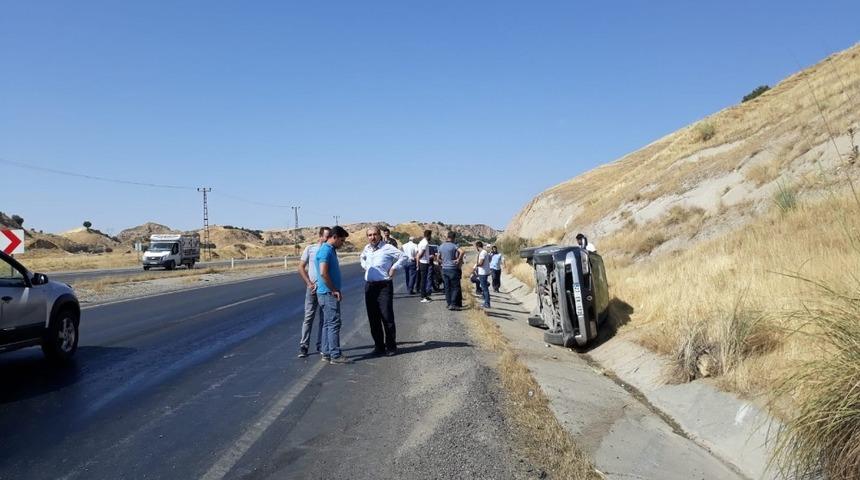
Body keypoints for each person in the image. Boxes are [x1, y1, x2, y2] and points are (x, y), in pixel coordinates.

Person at [360, 226, 408, 356]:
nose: (372, 237)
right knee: (373, 318)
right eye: (370, 235)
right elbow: (362, 257)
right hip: (370, 287)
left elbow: (403, 257)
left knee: (386, 317)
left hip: (384, 287)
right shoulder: (367, 248)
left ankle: (391, 347)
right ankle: (379, 347)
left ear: (380, 235)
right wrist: (365, 266)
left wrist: (394, 268)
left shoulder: (387, 247)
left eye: (375, 234)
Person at [316, 225, 352, 364]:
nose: (342, 244)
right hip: (327, 293)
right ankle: (335, 355)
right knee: (334, 323)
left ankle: (326, 352)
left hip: (327, 292)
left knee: (328, 323)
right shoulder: (325, 250)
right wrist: (334, 289)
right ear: (335, 237)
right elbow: (323, 272)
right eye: (341, 241)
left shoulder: (330, 250)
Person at [296, 226, 331, 358]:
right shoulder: (310, 249)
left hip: (324, 289)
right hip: (312, 289)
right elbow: (301, 267)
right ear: (320, 236)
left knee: (324, 318)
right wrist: (309, 283)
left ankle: (321, 345)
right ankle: (304, 346)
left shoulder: (330, 250)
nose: (328, 239)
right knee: (308, 317)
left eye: (330, 236)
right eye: (326, 236)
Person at [437, 232, 464, 310]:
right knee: (455, 287)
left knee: (447, 287)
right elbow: (462, 252)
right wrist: (458, 259)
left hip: (444, 269)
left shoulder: (441, 246)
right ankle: (453, 303)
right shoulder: (454, 246)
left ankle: (449, 304)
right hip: (452, 268)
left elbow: (438, 258)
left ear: (447, 237)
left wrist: (443, 262)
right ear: (453, 238)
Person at [471, 241, 491, 309]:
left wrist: (476, 265)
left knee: (484, 289)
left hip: (482, 273)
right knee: (484, 288)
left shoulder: (482, 253)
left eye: (475, 247)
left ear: (477, 246)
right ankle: (486, 302)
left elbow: (481, 263)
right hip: (485, 272)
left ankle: (487, 303)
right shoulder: (485, 252)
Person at [415, 229, 433, 303]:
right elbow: (420, 254)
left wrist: (417, 262)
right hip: (424, 263)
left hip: (422, 263)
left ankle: (425, 295)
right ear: (428, 235)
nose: (431, 237)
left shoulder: (421, 242)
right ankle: (423, 297)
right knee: (423, 281)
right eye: (430, 235)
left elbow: (417, 253)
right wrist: (418, 260)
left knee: (423, 280)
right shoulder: (425, 243)